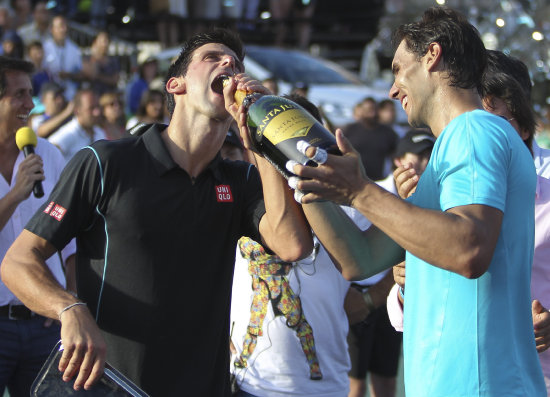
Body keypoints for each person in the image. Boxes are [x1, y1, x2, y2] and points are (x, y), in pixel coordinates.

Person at [0, 28, 312, 396]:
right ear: (175, 85)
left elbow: (292, 245)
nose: (230, 63)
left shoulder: (241, 178)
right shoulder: (106, 162)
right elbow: (18, 261)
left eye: (236, 62)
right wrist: (69, 308)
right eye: (212, 57)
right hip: (109, 387)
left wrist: (258, 139)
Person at [287, 6, 546, 396]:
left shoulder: (475, 128)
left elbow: (468, 250)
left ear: (433, 56)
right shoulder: (448, 155)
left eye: (397, 69)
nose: (392, 89)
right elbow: (360, 259)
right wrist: (305, 178)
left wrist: (359, 190)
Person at [389, 49, 550, 395]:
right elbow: (408, 306)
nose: (474, 129)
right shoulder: (443, 174)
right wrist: (407, 282)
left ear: (519, 120)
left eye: (488, 115)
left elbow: (470, 252)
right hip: (455, 377)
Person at [230, 94, 358, 397]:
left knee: (302, 329)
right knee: (257, 330)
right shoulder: (240, 203)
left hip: (323, 389)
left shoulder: (351, 207)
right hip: (250, 384)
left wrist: (366, 303)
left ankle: (314, 367)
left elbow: (389, 266)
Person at [0, 56, 75, 397]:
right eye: (19, 95)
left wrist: (70, 301)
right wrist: (16, 194)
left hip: (45, 323)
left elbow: (72, 241)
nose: (31, 104)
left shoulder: (49, 154)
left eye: (31, 93)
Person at [347, 128, 434, 397]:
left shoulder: (429, 199)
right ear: (398, 160)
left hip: (392, 301)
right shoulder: (369, 195)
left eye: (428, 156)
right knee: (355, 385)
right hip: (356, 303)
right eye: (416, 156)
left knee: (387, 380)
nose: (423, 162)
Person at [341, 97, 398, 182]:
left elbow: (396, 158)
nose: (372, 114)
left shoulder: (388, 133)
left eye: (375, 110)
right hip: (351, 180)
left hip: (378, 182)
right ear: (362, 111)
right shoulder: (349, 130)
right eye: (369, 110)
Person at [48, 88, 106, 162]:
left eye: (98, 107)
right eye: (91, 108)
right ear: (77, 110)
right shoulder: (69, 132)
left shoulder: (99, 132)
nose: (97, 112)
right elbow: (48, 153)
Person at [42, 14, 82, 100]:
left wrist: (70, 75)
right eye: (60, 26)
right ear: (51, 29)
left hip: (70, 94)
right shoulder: (44, 48)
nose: (64, 29)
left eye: (65, 26)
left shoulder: (74, 49)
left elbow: (80, 74)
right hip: (49, 93)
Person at [80, 31, 120, 97]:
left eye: (107, 41)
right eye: (103, 41)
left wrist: (98, 77)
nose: (105, 44)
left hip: (108, 96)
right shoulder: (87, 58)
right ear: (95, 42)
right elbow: (91, 74)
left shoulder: (113, 61)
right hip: (93, 96)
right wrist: (94, 57)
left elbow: (115, 80)